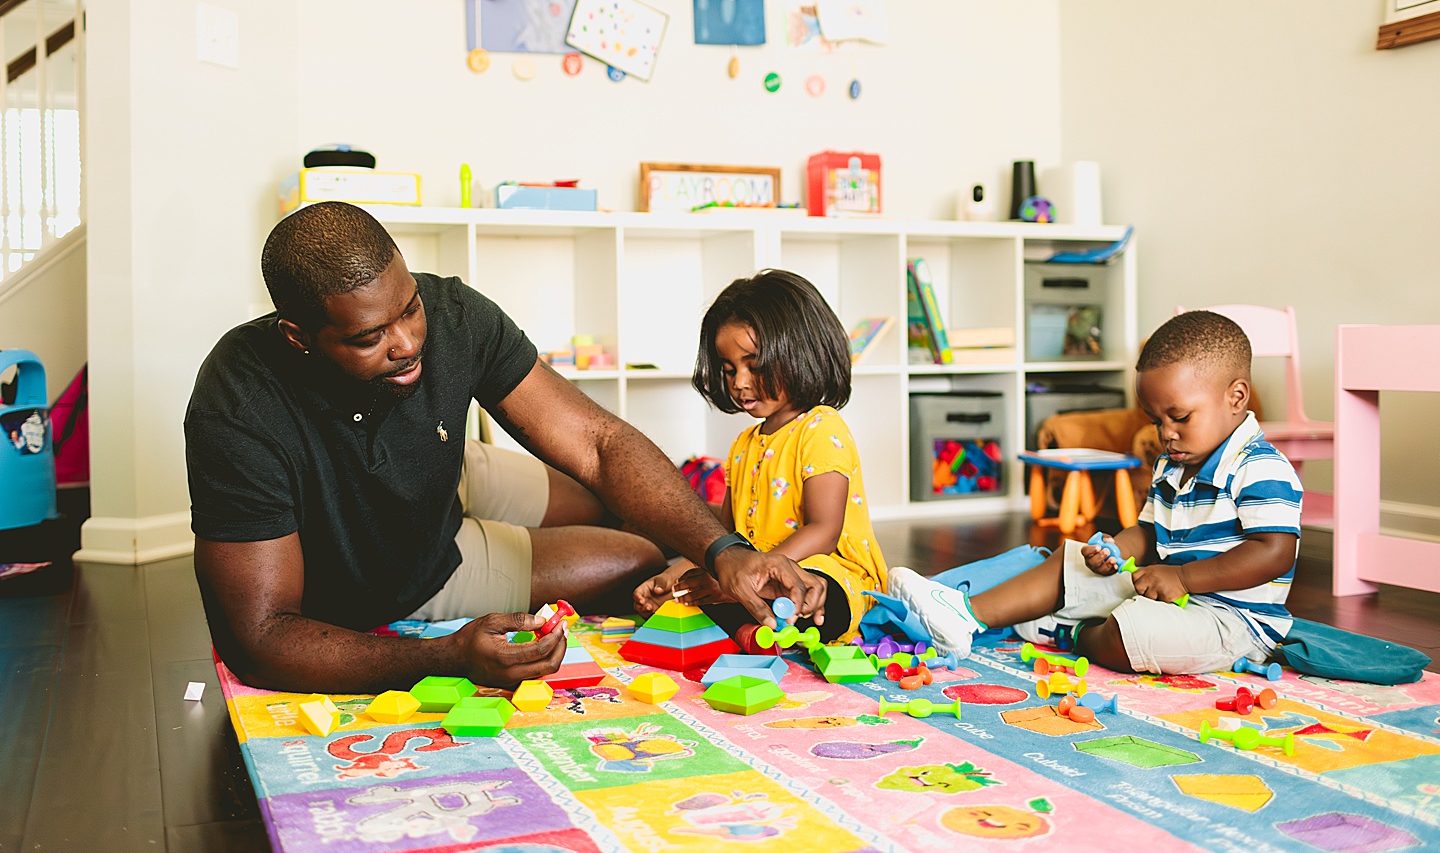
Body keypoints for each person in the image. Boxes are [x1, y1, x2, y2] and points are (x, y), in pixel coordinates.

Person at [185, 202, 826, 694]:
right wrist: (446, 657)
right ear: (299, 336)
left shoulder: (454, 313)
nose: (407, 342)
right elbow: (260, 636)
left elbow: (598, 445)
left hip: (446, 471)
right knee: (634, 556)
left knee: (603, 496)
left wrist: (724, 550)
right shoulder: (238, 403)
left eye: (409, 309)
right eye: (370, 337)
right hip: (405, 564)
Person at [887, 310, 1303, 674]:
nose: (1166, 434)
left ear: (1236, 396)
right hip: (1173, 593)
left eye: (1179, 417)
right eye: (1156, 421)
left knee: (1126, 635)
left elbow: (1274, 551)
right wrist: (1115, 552)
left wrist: (1183, 577)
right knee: (1068, 560)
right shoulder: (1172, 464)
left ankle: (1071, 630)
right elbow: (1147, 531)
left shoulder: (1259, 466)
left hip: (1234, 621)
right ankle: (962, 617)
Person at [633, 270, 887, 644]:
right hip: (753, 571)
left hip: (830, 569)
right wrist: (679, 574)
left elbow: (824, 531)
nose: (738, 382)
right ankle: (754, 622)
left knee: (819, 587)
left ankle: (760, 614)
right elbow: (726, 539)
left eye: (754, 363)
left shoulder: (822, 428)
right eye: (729, 368)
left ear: (800, 351)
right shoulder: (744, 444)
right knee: (697, 590)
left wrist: (751, 575)